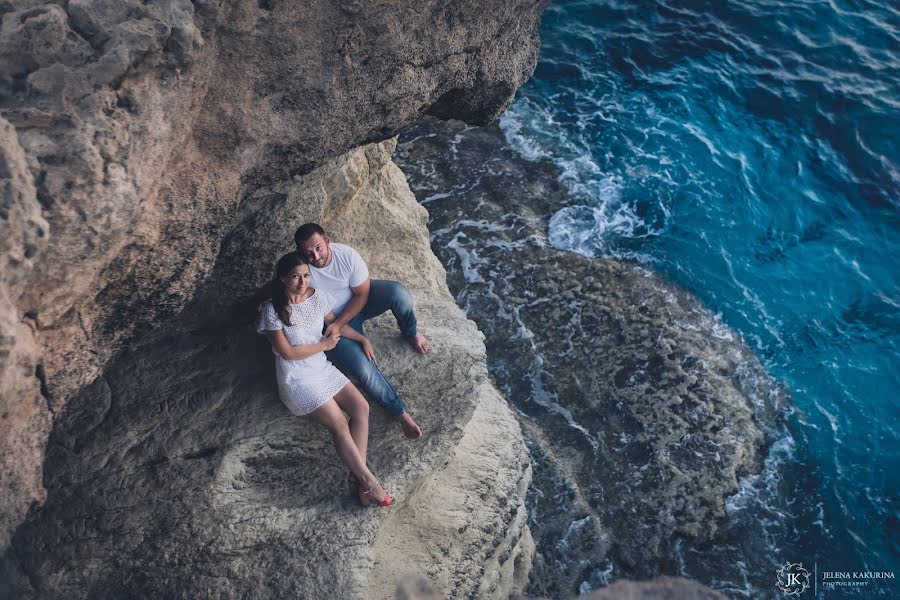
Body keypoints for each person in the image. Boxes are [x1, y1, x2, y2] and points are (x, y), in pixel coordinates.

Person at [257, 252, 392, 507]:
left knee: (361, 408)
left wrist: (361, 339)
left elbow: (334, 325)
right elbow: (286, 352)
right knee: (339, 423)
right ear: (283, 279)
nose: (302, 282)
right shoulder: (272, 311)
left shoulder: (317, 297)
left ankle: (357, 476)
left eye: (306, 275)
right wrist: (325, 345)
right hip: (296, 378)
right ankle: (370, 482)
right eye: (296, 277)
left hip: (321, 368)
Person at [293, 223, 427, 440]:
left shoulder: (347, 255)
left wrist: (340, 323)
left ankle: (410, 332)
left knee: (398, 293)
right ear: (300, 251)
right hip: (333, 322)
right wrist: (339, 328)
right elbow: (281, 285)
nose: (315, 256)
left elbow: (361, 295)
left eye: (318, 248)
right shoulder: (302, 270)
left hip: (359, 303)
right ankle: (400, 413)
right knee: (362, 369)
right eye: (308, 252)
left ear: (327, 241)